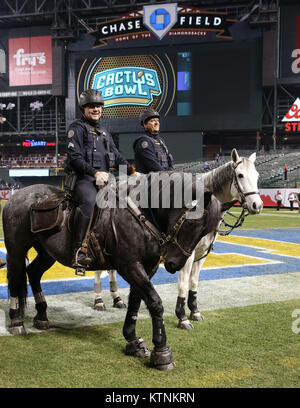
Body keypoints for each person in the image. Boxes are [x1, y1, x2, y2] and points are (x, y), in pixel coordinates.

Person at [66, 89, 135, 268]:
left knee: (126, 205)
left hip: (106, 180)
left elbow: (117, 156)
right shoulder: (76, 128)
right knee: (90, 204)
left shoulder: (105, 132)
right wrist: (95, 173)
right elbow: (75, 158)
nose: (95, 109)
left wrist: (133, 172)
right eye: (91, 106)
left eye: (98, 106)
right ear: (83, 109)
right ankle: (78, 252)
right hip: (84, 179)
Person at [133, 108, 174, 174]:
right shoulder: (143, 142)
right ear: (145, 125)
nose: (156, 123)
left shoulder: (160, 141)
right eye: (152, 121)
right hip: (149, 182)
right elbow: (153, 165)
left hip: (163, 179)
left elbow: (169, 162)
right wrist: (168, 175)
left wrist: (172, 174)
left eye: (157, 120)